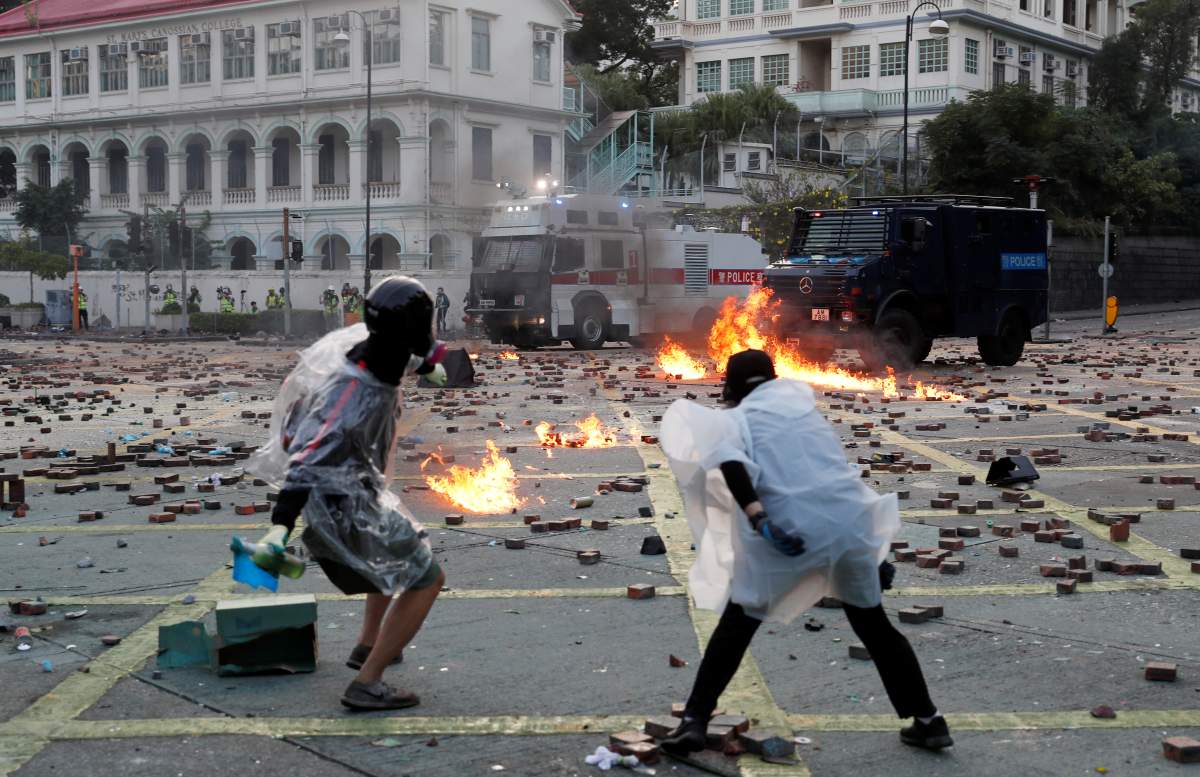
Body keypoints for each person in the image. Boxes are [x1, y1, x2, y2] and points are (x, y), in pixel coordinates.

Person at [658, 350, 952, 755]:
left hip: (788, 530)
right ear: (773, 379)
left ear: (730, 385)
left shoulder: (735, 419)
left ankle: (694, 721)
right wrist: (874, 551)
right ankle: (929, 721)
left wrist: (758, 518)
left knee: (738, 624)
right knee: (874, 626)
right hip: (849, 528)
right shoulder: (805, 416)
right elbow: (836, 480)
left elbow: (731, 464)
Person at [245, 276, 449, 711]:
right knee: (427, 578)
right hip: (343, 503)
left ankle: (369, 643)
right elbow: (303, 461)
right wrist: (279, 529)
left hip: (360, 488)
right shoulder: (351, 393)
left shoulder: (375, 348)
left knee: (400, 554)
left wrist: (428, 364)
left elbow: (412, 360)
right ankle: (367, 682)